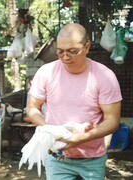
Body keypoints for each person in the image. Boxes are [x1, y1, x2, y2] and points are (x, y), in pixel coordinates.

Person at [26, 23, 122, 180]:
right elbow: (32, 108)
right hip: (58, 156)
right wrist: (52, 130)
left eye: (72, 51)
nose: (65, 57)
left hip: (92, 158)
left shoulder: (104, 76)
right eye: (60, 52)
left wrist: (84, 137)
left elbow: (112, 120)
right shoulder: (46, 73)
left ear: (87, 47)